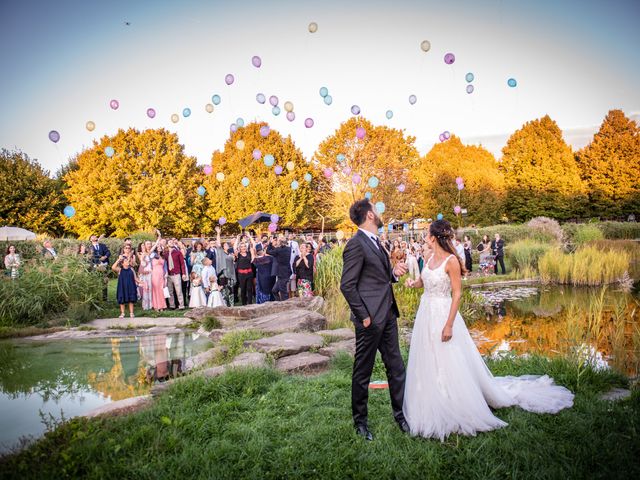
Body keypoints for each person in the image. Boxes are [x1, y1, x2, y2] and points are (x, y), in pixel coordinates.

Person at [402, 220, 573, 440]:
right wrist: (412, 283)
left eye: (427, 233)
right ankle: (429, 397)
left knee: (448, 356)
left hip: (443, 313)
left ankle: (455, 400)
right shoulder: (429, 258)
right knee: (428, 354)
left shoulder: (451, 261)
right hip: (426, 312)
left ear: (434, 236)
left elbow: (457, 294)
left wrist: (449, 324)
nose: (425, 236)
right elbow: (423, 283)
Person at [340, 199, 410, 441]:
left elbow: (376, 279)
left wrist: (394, 274)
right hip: (370, 320)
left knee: (397, 367)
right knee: (363, 372)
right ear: (370, 215)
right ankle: (360, 423)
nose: (380, 214)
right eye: (376, 210)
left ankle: (401, 416)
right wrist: (364, 317)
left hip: (389, 314)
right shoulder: (356, 245)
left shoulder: (376, 242)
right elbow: (347, 286)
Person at [214, 226, 236, 306]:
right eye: (226, 245)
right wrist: (218, 233)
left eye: (228, 245)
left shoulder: (229, 254)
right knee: (224, 291)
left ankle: (232, 305)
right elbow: (218, 243)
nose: (227, 246)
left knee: (231, 290)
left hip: (230, 274)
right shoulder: (220, 252)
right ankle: (224, 305)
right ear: (223, 247)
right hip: (223, 274)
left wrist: (233, 258)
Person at [112, 253, 139, 318]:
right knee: (122, 300)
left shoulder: (131, 269)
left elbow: (135, 278)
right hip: (122, 287)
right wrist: (118, 260)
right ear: (122, 263)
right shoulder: (120, 270)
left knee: (131, 300)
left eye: (128, 261)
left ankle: (131, 313)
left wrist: (142, 282)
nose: (128, 262)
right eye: (126, 261)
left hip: (130, 286)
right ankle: (122, 313)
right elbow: (113, 267)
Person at [164, 239, 187, 309]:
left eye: (172, 242)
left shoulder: (178, 253)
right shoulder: (165, 254)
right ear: (167, 244)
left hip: (176, 274)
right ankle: (172, 305)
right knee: (170, 291)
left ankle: (181, 305)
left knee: (179, 290)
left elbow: (182, 264)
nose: (171, 243)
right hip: (168, 275)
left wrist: (183, 273)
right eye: (169, 242)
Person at [267, 235, 292, 301]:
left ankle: (285, 306)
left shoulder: (278, 250)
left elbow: (268, 251)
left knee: (283, 292)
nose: (277, 242)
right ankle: (279, 303)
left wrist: (270, 242)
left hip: (282, 273)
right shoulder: (288, 249)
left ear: (280, 242)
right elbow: (276, 251)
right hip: (285, 272)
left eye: (278, 241)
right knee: (274, 290)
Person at [137, 241, 154, 311]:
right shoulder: (141, 254)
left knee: (150, 288)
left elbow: (154, 246)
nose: (144, 247)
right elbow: (142, 263)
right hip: (144, 273)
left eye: (145, 246)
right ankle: (145, 306)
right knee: (145, 289)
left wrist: (159, 238)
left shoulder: (149, 253)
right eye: (142, 246)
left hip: (150, 272)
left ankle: (151, 305)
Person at [150, 247, 167, 312]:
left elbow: (165, 266)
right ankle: (156, 306)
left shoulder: (163, 257)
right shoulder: (153, 255)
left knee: (161, 290)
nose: (160, 248)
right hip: (154, 274)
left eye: (161, 247)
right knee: (155, 289)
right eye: (158, 247)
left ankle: (162, 306)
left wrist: (165, 274)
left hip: (161, 274)